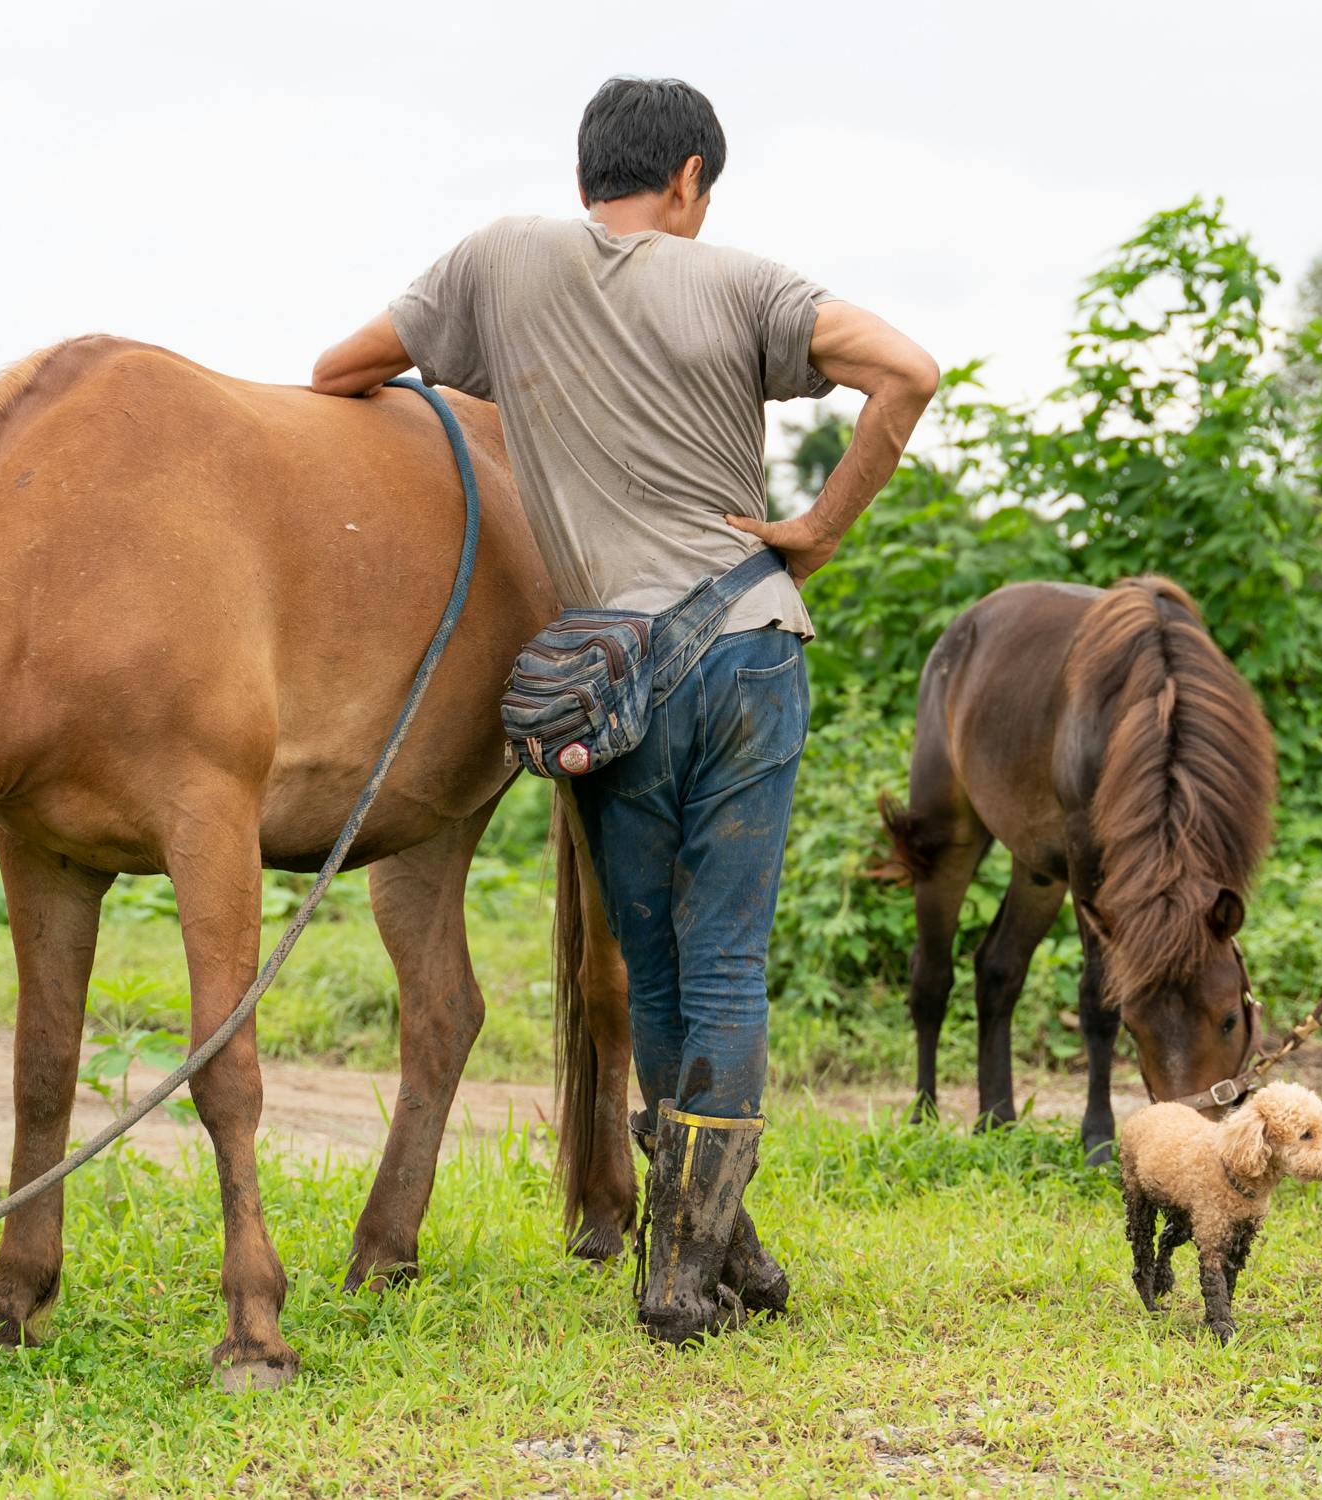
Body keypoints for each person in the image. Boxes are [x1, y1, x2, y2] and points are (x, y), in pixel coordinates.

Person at [310, 77, 938, 1339]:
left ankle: (709, 1247)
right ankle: (687, 1268)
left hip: (607, 675)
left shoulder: (498, 262)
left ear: (586, 168)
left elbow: (340, 370)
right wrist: (815, 527)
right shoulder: (747, 283)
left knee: (651, 963)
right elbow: (909, 373)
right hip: (747, 651)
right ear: (692, 178)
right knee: (721, 960)